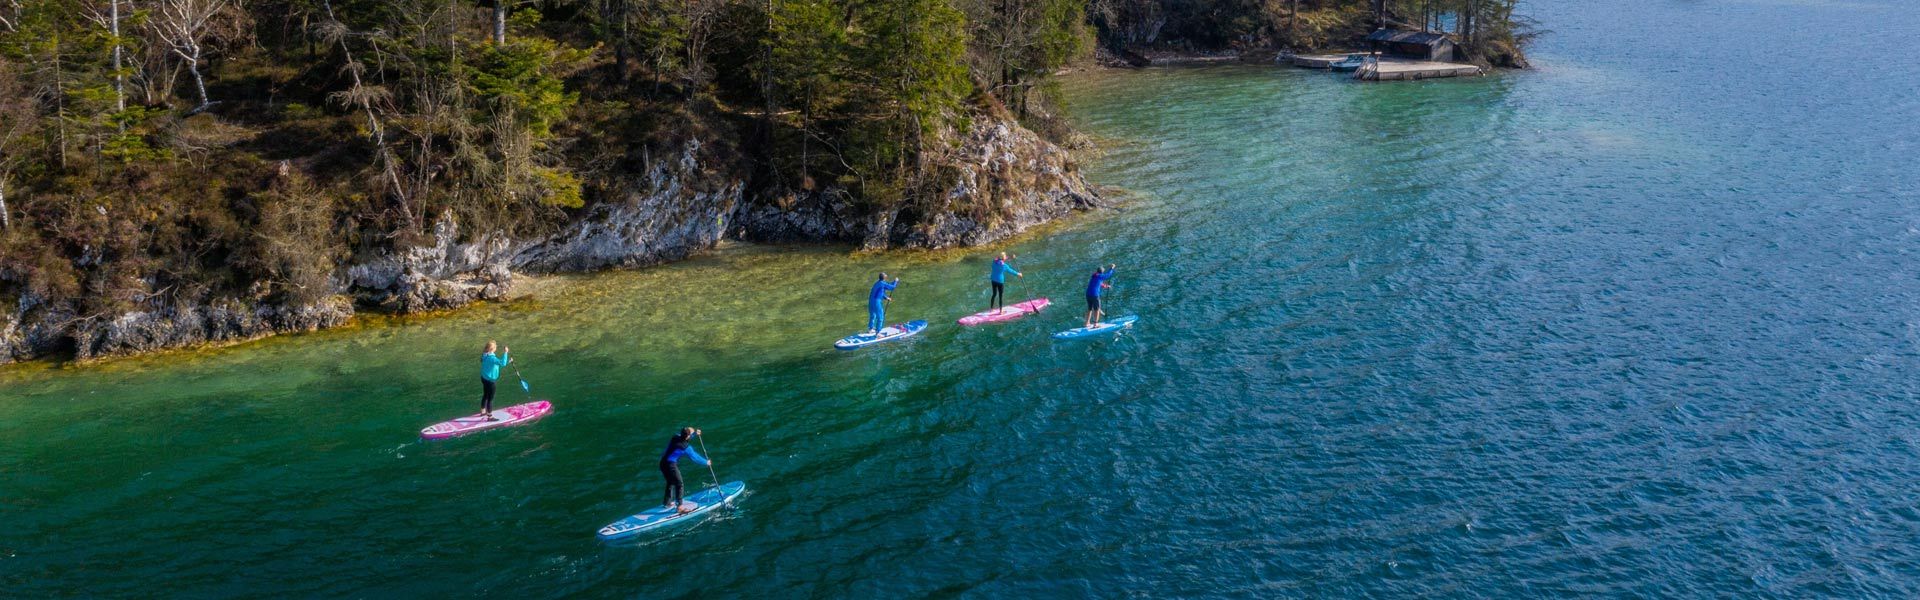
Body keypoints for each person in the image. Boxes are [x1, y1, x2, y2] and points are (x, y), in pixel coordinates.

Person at [659, 427, 711, 513]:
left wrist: (694, 434)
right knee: (679, 483)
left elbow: (684, 438)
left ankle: (667, 503)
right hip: (670, 465)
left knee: (670, 482)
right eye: (691, 433)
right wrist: (706, 462)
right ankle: (680, 507)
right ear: (687, 436)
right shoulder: (686, 448)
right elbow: (695, 458)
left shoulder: (675, 436)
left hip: (662, 463)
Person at [479, 340, 510, 420]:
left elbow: (499, 363)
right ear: (493, 349)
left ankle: (483, 411)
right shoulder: (492, 358)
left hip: (484, 378)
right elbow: (502, 363)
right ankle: (490, 416)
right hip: (490, 381)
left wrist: (508, 361)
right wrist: (505, 352)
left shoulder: (484, 355)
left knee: (485, 395)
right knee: (490, 398)